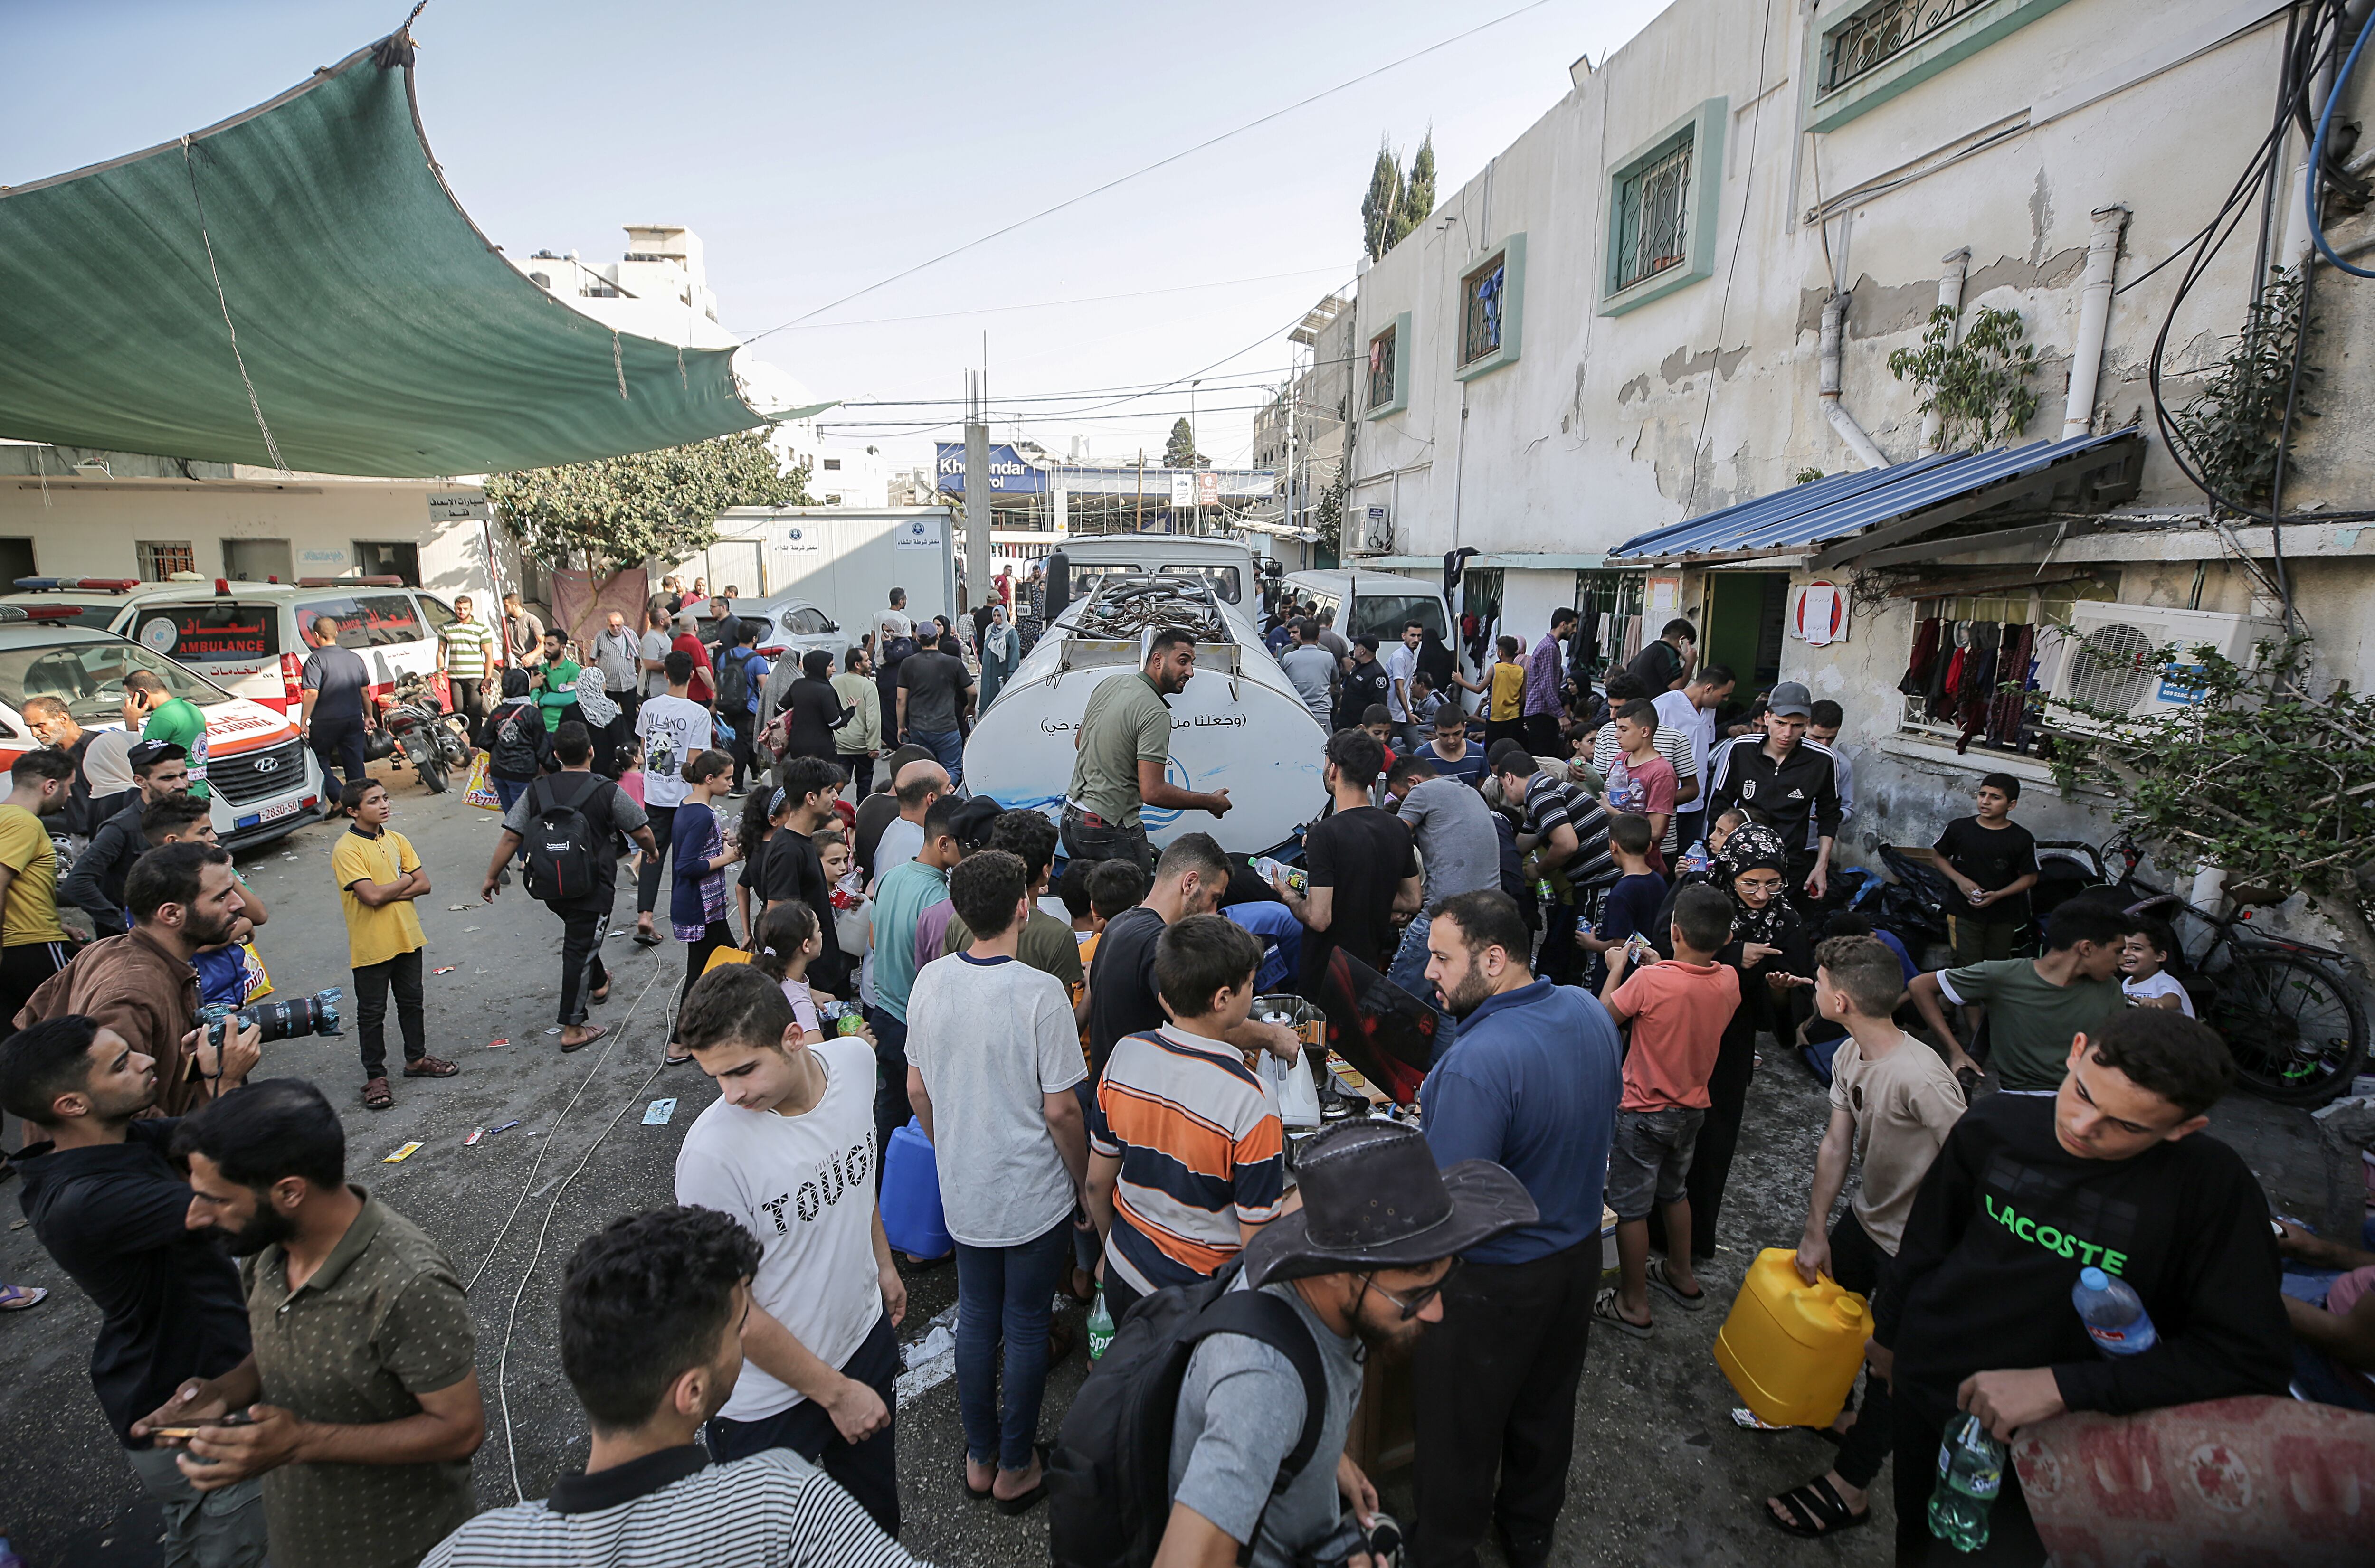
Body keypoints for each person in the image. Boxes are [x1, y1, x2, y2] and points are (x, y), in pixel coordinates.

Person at [1872, 1010, 2290, 1565]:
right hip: (1931, 1387)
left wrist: (2063, 1387)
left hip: (2059, 1438)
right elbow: (1927, 1242)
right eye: (2083, 1093)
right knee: (1916, 1535)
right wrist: (1889, 1338)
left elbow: (2247, 1356)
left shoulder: (2212, 1189)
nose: (2083, 1126)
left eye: (2127, 1125)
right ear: (2074, 1051)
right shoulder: (1993, 1122)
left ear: (2182, 1128)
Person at [419, 1207, 915, 1568]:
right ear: (692, 1393)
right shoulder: (779, 1504)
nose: (743, 1338)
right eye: (738, 1326)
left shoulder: (467, 1550)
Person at [1156, 1118, 1536, 1568]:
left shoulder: (1319, 1296)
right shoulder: (1262, 1385)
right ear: (1334, 1269)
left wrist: (1323, 1458)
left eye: (1443, 1281)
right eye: (1413, 1295)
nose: (1436, 1312)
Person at [141, 1079, 486, 1568]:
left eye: (215, 1199)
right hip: (297, 1537)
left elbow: (460, 1428)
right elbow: (280, 1343)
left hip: (397, 1547)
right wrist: (223, 1392)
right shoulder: (265, 1247)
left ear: (289, 1192)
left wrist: (303, 1440)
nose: (195, 1217)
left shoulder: (407, 1283)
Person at [3, 1014, 267, 1562]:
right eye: (121, 1063)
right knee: (246, 1543)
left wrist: (210, 1084)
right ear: (71, 1104)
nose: (148, 1061)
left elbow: (206, 1136)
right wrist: (229, 1082)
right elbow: (233, 1201)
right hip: (185, 1404)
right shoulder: (87, 1197)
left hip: (191, 1384)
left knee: (197, 1542)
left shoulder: (118, 1140)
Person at [1406, 889, 1619, 1568]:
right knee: (1545, 1405)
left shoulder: (1477, 1062)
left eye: (1442, 958)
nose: (1428, 973)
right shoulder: (1590, 1012)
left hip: (1496, 1280)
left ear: (1493, 959)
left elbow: (1447, 1207)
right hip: (1578, 1255)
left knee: (1460, 1426)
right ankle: (1530, 1531)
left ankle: (1445, 1549)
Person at [673, 965, 908, 1539]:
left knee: (875, 1531)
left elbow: (857, 1171)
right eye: (717, 1077)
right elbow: (733, 1310)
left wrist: (882, 1262)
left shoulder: (853, 1063)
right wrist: (835, 1393)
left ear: (793, 1037)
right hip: (767, 1404)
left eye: (743, 1070)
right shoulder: (710, 1155)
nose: (731, 1094)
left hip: (862, 1343)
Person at [1762, 935, 1966, 1540]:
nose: (1814, 987)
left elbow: (1972, 1165)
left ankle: (1849, 1489)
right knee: (1834, 1318)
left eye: (1819, 981)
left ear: (1842, 998)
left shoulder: (1922, 1078)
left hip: (1917, 1248)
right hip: (1866, 1220)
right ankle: (1838, 1412)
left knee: (1889, 1367)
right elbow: (1835, 1144)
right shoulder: (1851, 1052)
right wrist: (1814, 1229)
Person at [904, 849, 1088, 1512]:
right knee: (1028, 1322)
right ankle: (1017, 1465)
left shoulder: (930, 982)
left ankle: (981, 1456)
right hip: (1032, 1191)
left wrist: (949, 1141)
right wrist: (1084, 1185)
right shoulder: (1040, 993)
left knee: (978, 1318)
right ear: (1024, 904)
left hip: (967, 1184)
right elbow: (1063, 1109)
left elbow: (917, 1088)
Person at [1087, 915, 1289, 1321]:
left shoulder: (1125, 1054)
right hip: (1199, 1297)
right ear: (1223, 999)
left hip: (1125, 1273)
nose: (1255, 991)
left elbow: (1096, 1184)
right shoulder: (1252, 1101)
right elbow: (1258, 1245)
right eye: (1251, 984)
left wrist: (1115, 1250)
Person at [1593, 883, 1743, 1340]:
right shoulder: (1730, 980)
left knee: (1630, 1208)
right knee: (1674, 1192)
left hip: (1641, 1112)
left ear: (1674, 931)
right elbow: (1688, 994)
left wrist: (1618, 969)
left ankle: (1633, 1302)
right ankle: (1682, 1274)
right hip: (1691, 1109)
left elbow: (1602, 1018)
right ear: (1727, 938)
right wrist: (1665, 967)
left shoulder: (1649, 982)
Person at [18, 842, 260, 1117]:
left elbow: (34, 1015)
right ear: (171, 914)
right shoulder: (132, 994)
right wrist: (221, 1085)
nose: (239, 903)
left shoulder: (112, 947)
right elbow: (116, 1115)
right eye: (221, 897)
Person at [480, 721, 658, 1052]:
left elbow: (511, 835)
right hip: (592, 885)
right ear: (591, 751)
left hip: (550, 885)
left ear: (557, 755)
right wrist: (650, 852)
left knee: (581, 934)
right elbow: (641, 829)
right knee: (579, 946)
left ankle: (600, 982)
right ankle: (573, 1027)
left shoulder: (537, 790)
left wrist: (492, 875)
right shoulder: (606, 789)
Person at [1910, 900, 2133, 1094]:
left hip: (2086, 1096)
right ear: (2087, 948)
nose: (2123, 961)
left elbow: (2119, 1052)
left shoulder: (2110, 987)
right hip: (2021, 1097)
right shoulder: (2004, 976)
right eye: (2117, 951)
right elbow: (1920, 986)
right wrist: (1955, 1051)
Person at [1060, 627, 1233, 871]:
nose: (1190, 672)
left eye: (1192, 664)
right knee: (1138, 904)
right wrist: (1210, 802)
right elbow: (1152, 792)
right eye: (1183, 662)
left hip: (1072, 821)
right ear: (1158, 660)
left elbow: (1081, 742)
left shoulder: (1110, 684)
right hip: (1108, 830)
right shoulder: (1155, 712)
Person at [1273, 728, 1420, 1000]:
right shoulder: (1397, 827)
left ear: (1334, 770)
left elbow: (1319, 918)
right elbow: (1412, 900)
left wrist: (1290, 897)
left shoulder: (1324, 834)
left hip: (1325, 975)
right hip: (1367, 970)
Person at [334, 779, 454, 1108]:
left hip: (407, 936)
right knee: (372, 1013)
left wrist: (387, 890)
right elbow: (370, 896)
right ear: (353, 811)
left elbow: (424, 885)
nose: (384, 805)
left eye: (386, 798)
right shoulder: (348, 849)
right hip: (372, 944)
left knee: (412, 1002)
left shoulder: (397, 839)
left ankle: (416, 1059)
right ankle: (375, 1076)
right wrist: (403, 881)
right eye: (374, 801)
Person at [865, 795, 966, 1162]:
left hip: (882, 1013)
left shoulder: (892, 877)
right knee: (920, 1124)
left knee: (889, 1112)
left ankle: (880, 1188)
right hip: (914, 1027)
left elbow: (874, 938)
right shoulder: (941, 903)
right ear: (944, 843)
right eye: (965, 843)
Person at [1487, 739, 1616, 986]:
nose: (1503, 791)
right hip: (1597, 879)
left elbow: (1567, 845)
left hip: (1601, 879)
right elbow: (1521, 844)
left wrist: (1538, 869)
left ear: (1510, 778)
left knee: (1587, 957)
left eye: (1503, 784)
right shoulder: (1546, 790)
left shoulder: (1540, 796)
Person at [1380, 751, 1498, 1012]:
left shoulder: (1423, 792)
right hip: (1488, 914)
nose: (1404, 802)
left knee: (1392, 1002)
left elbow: (1391, 842)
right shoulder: (1471, 793)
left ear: (1413, 782)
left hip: (1444, 914)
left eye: (1402, 797)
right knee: (1447, 1004)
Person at [1705, 681, 1840, 902]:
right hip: (1740, 860)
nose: (1787, 733)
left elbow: (1829, 815)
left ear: (1807, 724)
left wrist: (1821, 866)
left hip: (1790, 865)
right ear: (1767, 718)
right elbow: (1720, 803)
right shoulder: (1741, 749)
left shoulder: (1823, 760)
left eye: (1797, 726)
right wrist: (1716, 854)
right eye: (1780, 723)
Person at [942, 809, 1086, 1004]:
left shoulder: (960, 920)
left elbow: (947, 984)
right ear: (1046, 872)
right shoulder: (1059, 936)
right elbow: (1063, 1022)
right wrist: (1091, 993)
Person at [61, 740, 191, 937]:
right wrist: (125, 924)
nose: (181, 785)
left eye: (183, 775)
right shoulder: (122, 827)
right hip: (139, 945)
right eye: (168, 778)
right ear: (141, 781)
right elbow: (77, 883)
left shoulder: (187, 815)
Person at [632, 651, 712, 946]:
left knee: (653, 855)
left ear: (665, 675)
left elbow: (645, 748)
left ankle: (645, 915)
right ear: (692, 675)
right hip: (684, 797)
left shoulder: (649, 707)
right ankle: (686, 917)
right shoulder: (698, 714)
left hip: (654, 793)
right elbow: (694, 761)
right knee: (685, 859)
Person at [762, 756, 855, 996]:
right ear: (811, 798)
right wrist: (804, 989)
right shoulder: (788, 851)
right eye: (829, 791)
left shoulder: (803, 840)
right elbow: (778, 919)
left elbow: (806, 895)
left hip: (826, 966)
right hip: (813, 975)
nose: (836, 797)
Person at [0, 749, 76, 1027]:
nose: (69, 797)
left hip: (20, 945)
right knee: (65, 1032)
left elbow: (21, 890)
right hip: (31, 946)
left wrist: (60, 925)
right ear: (51, 786)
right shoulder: (25, 823)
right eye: (69, 787)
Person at [1933, 773, 2040, 966]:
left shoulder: (2021, 838)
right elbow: (1938, 857)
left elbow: (2030, 878)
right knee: (1967, 967)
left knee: (1995, 967)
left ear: (2011, 805)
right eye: (1982, 794)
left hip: (2003, 916)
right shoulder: (1960, 828)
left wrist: (1999, 895)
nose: (1986, 801)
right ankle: (1964, 997)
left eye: (1995, 797)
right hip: (1963, 912)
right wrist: (1959, 880)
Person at [1575, 813, 1667, 984]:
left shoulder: (1621, 892)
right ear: (1649, 847)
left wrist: (1592, 944)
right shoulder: (1658, 880)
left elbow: (1621, 944)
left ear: (1613, 847)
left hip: (1622, 977)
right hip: (1648, 968)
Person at [1653, 663, 1733, 860]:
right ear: (1708, 688)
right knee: (1664, 858)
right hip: (1668, 800)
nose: (1726, 700)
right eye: (1724, 695)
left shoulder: (1709, 710)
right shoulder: (1663, 707)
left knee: (1689, 859)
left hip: (1696, 801)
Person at [1594, 698, 1682, 860]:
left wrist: (1609, 810)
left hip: (1641, 862)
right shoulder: (1621, 759)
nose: (1616, 735)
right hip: (1613, 854)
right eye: (1616, 728)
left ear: (1645, 732)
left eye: (1624, 730)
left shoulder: (1662, 773)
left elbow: (1654, 832)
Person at [296, 617, 370, 797]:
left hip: (325, 722)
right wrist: (369, 715)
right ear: (337, 633)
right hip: (354, 718)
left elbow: (311, 693)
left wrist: (304, 720)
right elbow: (365, 692)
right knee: (355, 761)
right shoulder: (355, 658)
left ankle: (338, 797)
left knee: (318, 759)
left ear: (316, 635)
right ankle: (360, 801)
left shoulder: (315, 661)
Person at [895, 627, 973, 784]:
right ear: (938, 636)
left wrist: (901, 726)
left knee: (923, 770)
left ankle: (929, 801)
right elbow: (973, 691)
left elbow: (901, 699)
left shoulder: (908, 663)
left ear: (918, 640)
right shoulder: (953, 663)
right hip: (946, 727)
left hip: (919, 727)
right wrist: (970, 706)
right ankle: (946, 798)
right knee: (951, 768)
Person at [482, 668, 551, 842]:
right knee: (527, 817)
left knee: (512, 819)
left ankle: (522, 856)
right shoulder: (532, 714)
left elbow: (484, 740)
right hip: (523, 774)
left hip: (499, 773)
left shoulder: (496, 713)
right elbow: (542, 749)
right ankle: (527, 857)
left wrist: (502, 748)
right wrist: (556, 769)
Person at [20, 694, 103, 838]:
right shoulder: (52, 755)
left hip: (107, 833)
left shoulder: (99, 746)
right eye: (30, 727)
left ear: (63, 719)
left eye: (40, 726)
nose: (35, 733)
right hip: (78, 836)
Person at [128, 670, 213, 803]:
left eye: (132, 697)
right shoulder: (190, 708)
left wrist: (132, 721)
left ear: (142, 694)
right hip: (199, 789)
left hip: (178, 795)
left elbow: (140, 756)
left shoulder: (163, 716)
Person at [870, 756, 948, 886]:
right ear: (932, 799)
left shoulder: (894, 828)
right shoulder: (920, 848)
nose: (953, 792)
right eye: (947, 788)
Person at [436, 593, 500, 746]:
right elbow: (441, 652)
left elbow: (489, 655)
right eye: (459, 608)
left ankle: (475, 745)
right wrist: (439, 675)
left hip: (475, 675)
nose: (461, 612)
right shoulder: (445, 628)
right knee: (459, 711)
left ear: (471, 609)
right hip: (455, 675)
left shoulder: (481, 629)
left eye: (465, 609)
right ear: (455, 608)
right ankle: (476, 738)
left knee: (475, 711)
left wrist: (488, 677)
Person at [711, 621, 768, 792]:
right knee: (742, 745)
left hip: (727, 706)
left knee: (745, 741)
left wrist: (714, 705)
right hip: (748, 709)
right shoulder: (757, 660)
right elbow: (765, 688)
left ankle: (756, 771)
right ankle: (737, 786)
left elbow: (718, 683)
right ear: (755, 638)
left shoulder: (725, 657)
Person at [772, 648, 850, 764]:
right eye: (831, 666)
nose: (834, 670)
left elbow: (778, 709)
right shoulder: (826, 690)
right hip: (821, 748)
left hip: (797, 746)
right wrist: (851, 711)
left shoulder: (797, 684)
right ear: (820, 667)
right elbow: (835, 723)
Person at [1521, 610, 1576, 756]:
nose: (1575, 630)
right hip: (1542, 713)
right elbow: (1548, 686)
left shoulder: (1549, 645)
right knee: (1544, 761)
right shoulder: (1549, 648)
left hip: (1541, 713)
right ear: (1563, 625)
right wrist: (1561, 716)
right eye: (1573, 626)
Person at [831, 647, 884, 798]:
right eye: (866, 660)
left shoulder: (836, 682)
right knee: (864, 785)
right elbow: (873, 718)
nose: (870, 662)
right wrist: (874, 745)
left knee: (836, 785)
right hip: (862, 746)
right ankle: (861, 817)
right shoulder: (868, 686)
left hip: (840, 744)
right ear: (857, 665)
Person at [591, 607, 643, 762]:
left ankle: (632, 747)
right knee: (609, 717)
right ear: (608, 625)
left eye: (618, 626)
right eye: (612, 626)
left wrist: (640, 677)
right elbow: (592, 659)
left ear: (623, 625)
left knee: (630, 716)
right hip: (609, 685)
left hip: (629, 684)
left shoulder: (630, 634)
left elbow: (638, 658)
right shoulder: (601, 636)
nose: (615, 628)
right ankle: (611, 745)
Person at [1804, 699, 1854, 854]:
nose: (1824, 745)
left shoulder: (1842, 765)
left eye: (1831, 738)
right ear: (1806, 724)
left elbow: (1848, 809)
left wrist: (1833, 815)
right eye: (1817, 738)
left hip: (1812, 848)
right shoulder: (1783, 755)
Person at [2121, 918, 2194, 1016]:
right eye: (2122, 948)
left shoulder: (2165, 981)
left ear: (2160, 956)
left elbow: (2173, 999)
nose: (2125, 953)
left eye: (2136, 948)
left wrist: (2159, 1002)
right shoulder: (2126, 983)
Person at [1279, 618, 1338, 727]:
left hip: (1296, 709)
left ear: (1301, 637)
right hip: (1322, 712)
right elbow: (1335, 679)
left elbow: (1281, 681)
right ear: (1318, 637)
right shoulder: (1328, 657)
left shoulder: (1288, 658)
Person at [1417, 701, 1489, 790]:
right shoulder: (1422, 757)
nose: (1451, 741)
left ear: (1464, 727)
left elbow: (1480, 791)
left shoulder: (1478, 753)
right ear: (1435, 730)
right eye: (1444, 735)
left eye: (1457, 734)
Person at [1333, 636, 1391, 736]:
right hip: (1345, 725)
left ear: (1363, 651)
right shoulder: (1358, 667)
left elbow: (1378, 706)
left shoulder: (1376, 674)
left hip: (1358, 730)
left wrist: (1365, 728)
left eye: (1356, 646)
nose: (1354, 648)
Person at [1625, 617, 1696, 694]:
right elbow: (1677, 686)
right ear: (1683, 640)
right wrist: (1690, 663)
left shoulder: (1646, 652)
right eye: (1689, 644)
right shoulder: (1666, 652)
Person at [1481, 635, 1528, 754]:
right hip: (1514, 717)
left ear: (1500, 652)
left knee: (1492, 751)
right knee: (1509, 751)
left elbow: (1479, 689)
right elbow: (1523, 698)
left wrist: (1460, 680)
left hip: (1496, 717)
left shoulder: (1495, 668)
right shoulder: (1521, 670)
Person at [1383, 620, 1425, 731]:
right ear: (1404, 636)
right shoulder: (1400, 657)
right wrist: (1408, 714)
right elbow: (1399, 687)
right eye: (1412, 636)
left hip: (1405, 712)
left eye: (1419, 636)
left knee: (1414, 744)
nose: (1416, 640)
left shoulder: (1409, 656)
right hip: (1395, 713)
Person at [978, 602, 1022, 711]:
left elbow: (1014, 654)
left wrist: (1011, 673)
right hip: (988, 672)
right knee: (986, 697)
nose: (996, 619)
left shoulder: (1011, 632)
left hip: (1001, 671)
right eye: (995, 616)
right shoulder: (989, 630)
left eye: (999, 616)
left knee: (998, 699)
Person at [672, 612, 718, 707]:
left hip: (684, 691)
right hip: (699, 694)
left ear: (680, 628)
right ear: (695, 627)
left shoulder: (677, 642)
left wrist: (710, 645)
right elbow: (702, 670)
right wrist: (714, 689)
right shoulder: (695, 643)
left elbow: (691, 653)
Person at [637, 601, 674, 700]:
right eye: (669, 617)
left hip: (663, 689)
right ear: (661, 622)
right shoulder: (651, 639)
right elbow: (650, 664)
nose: (671, 619)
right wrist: (672, 666)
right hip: (652, 691)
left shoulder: (664, 635)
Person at [502, 590, 546, 671]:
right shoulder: (506, 622)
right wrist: (504, 665)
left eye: (506, 606)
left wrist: (532, 656)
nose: (505, 609)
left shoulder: (532, 620)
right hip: (513, 666)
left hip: (531, 666)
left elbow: (544, 643)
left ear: (515, 605)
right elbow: (505, 643)